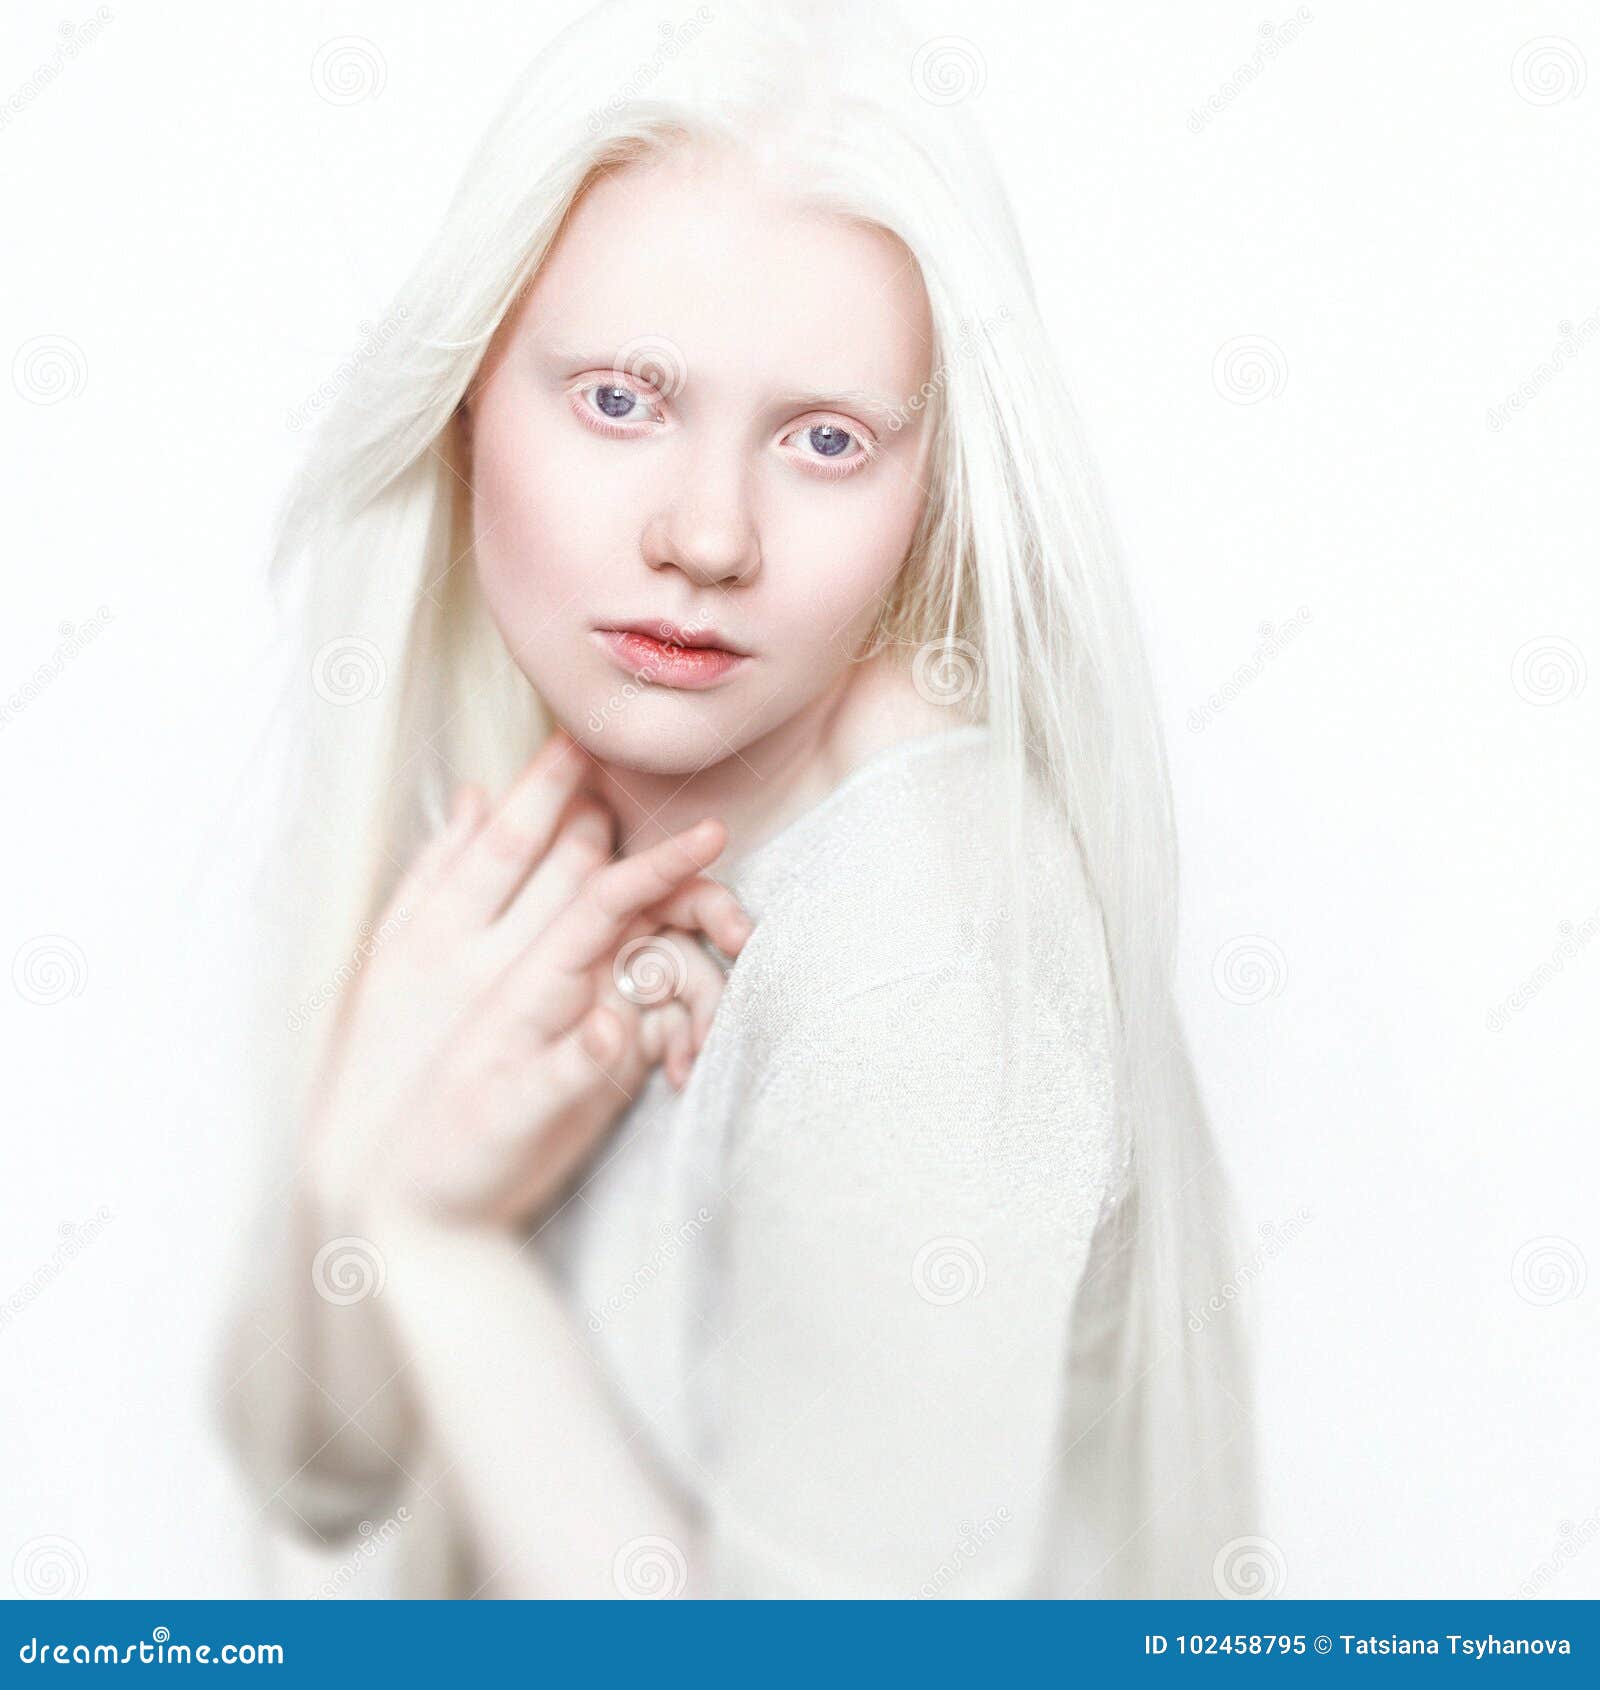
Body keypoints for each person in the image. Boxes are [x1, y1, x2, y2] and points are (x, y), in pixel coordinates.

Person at [213, 0, 1259, 1599]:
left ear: (933, 492)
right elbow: (308, 1459)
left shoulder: (928, 944)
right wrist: (373, 1148)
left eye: (826, 440)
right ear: (469, 391)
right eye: (622, 400)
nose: (709, 535)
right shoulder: (530, 839)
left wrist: (431, 1235)